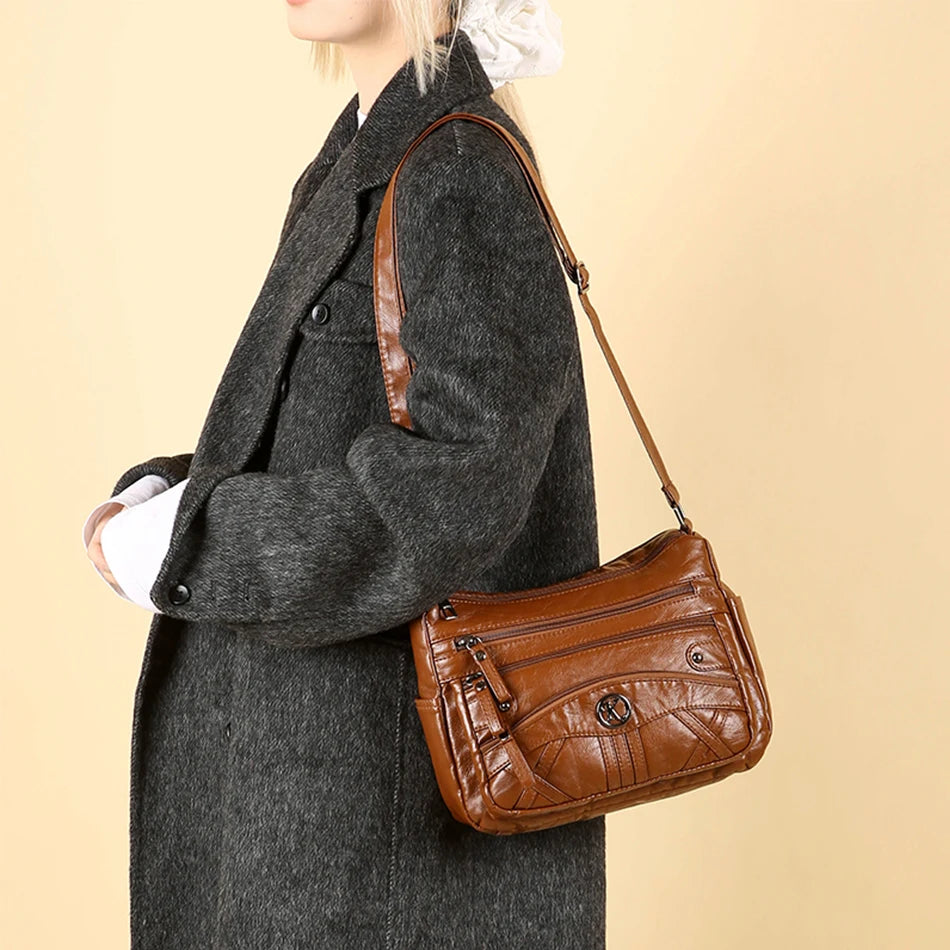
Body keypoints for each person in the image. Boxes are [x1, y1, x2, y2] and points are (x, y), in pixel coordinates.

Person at [84, 2, 606, 947]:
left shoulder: (456, 167)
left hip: (370, 832)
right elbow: (326, 431)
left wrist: (193, 545)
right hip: (315, 798)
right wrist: (167, 499)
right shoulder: (370, 155)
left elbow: (461, 484)